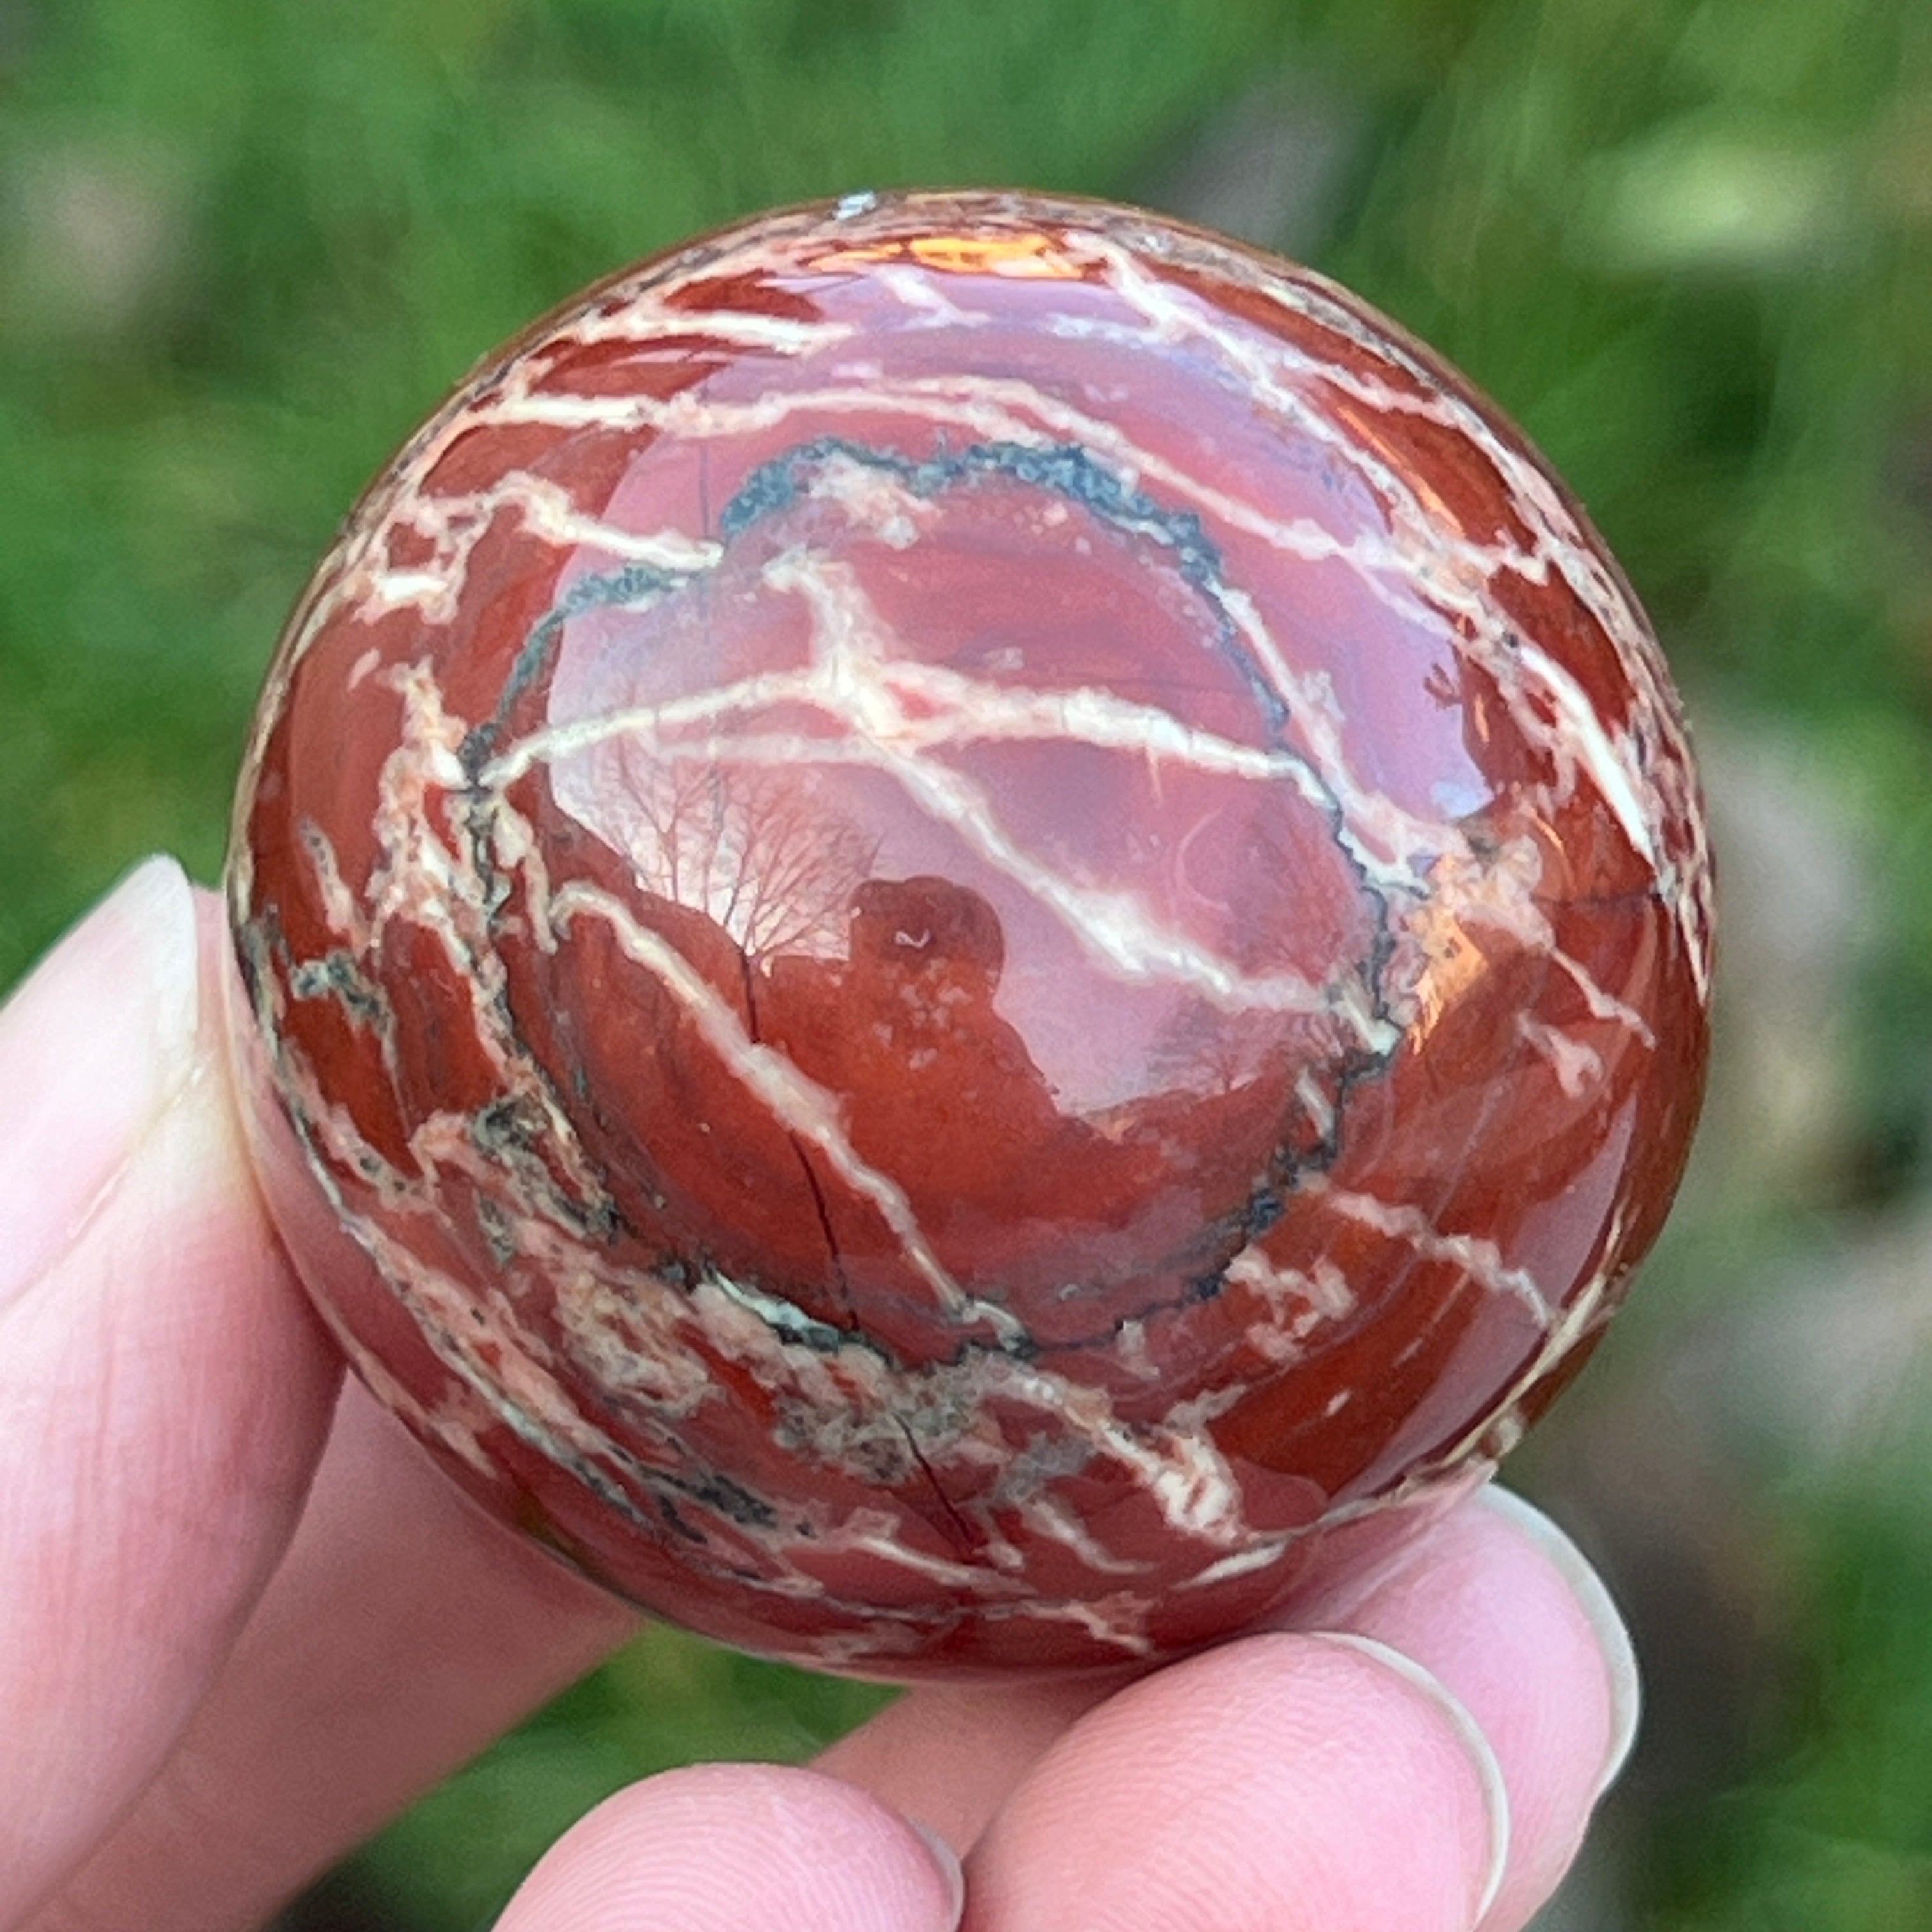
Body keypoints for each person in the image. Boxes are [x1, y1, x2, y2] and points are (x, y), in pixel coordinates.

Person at [0, 857, 1639, 1932]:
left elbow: (1096, 1198)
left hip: (1049, 1442)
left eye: (948, 952)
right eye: (898, 944)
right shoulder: (705, 1010)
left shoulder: (1034, 1094)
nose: (922, 984)